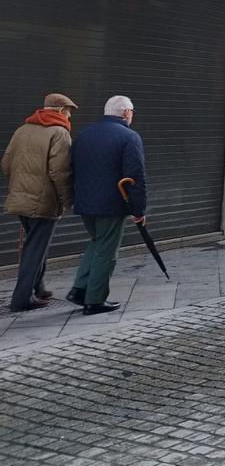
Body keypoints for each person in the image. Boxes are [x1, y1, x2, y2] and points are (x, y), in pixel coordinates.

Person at [68, 95, 146, 316]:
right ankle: (94, 300)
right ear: (126, 113)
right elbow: (135, 176)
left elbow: (72, 167)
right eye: (132, 112)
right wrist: (139, 210)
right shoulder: (129, 137)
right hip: (111, 204)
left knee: (97, 242)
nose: (132, 115)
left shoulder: (85, 134)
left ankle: (79, 289)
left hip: (85, 201)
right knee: (107, 251)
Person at [2, 93, 76, 312]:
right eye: (69, 111)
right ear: (61, 110)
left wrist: (19, 186)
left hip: (20, 198)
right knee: (35, 249)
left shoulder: (22, 130)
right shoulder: (60, 132)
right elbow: (60, 172)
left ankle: (39, 288)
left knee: (35, 244)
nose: (69, 116)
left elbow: (6, 163)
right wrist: (67, 199)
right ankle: (21, 299)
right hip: (44, 201)